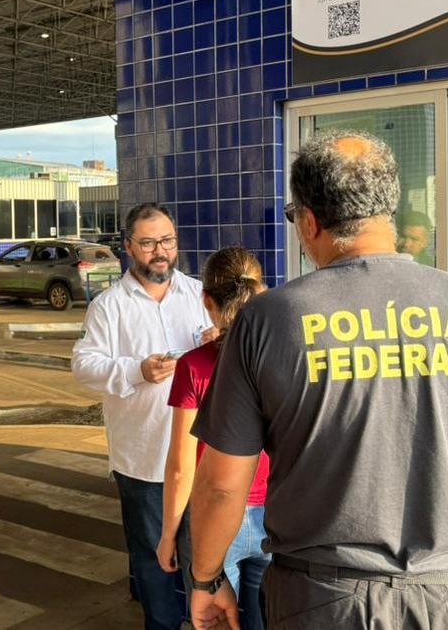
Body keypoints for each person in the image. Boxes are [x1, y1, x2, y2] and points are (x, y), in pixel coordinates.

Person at [186, 131, 448, 630]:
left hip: (323, 599)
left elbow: (224, 485)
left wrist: (206, 579)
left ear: (310, 220)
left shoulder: (269, 320)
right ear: (388, 213)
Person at [72, 202, 214, 630]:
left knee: (204, 558)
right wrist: (137, 369)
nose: (160, 252)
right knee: (153, 559)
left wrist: (220, 338)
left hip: (201, 455)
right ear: (129, 247)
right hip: (144, 460)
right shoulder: (110, 306)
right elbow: (83, 366)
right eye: (149, 243)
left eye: (167, 241)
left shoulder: (199, 294)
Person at [158, 247, 270, 630]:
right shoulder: (278, 358)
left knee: (216, 619)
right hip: (277, 514)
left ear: (205, 299)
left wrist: (168, 533)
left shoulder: (194, 366)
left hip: (215, 520)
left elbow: (180, 468)